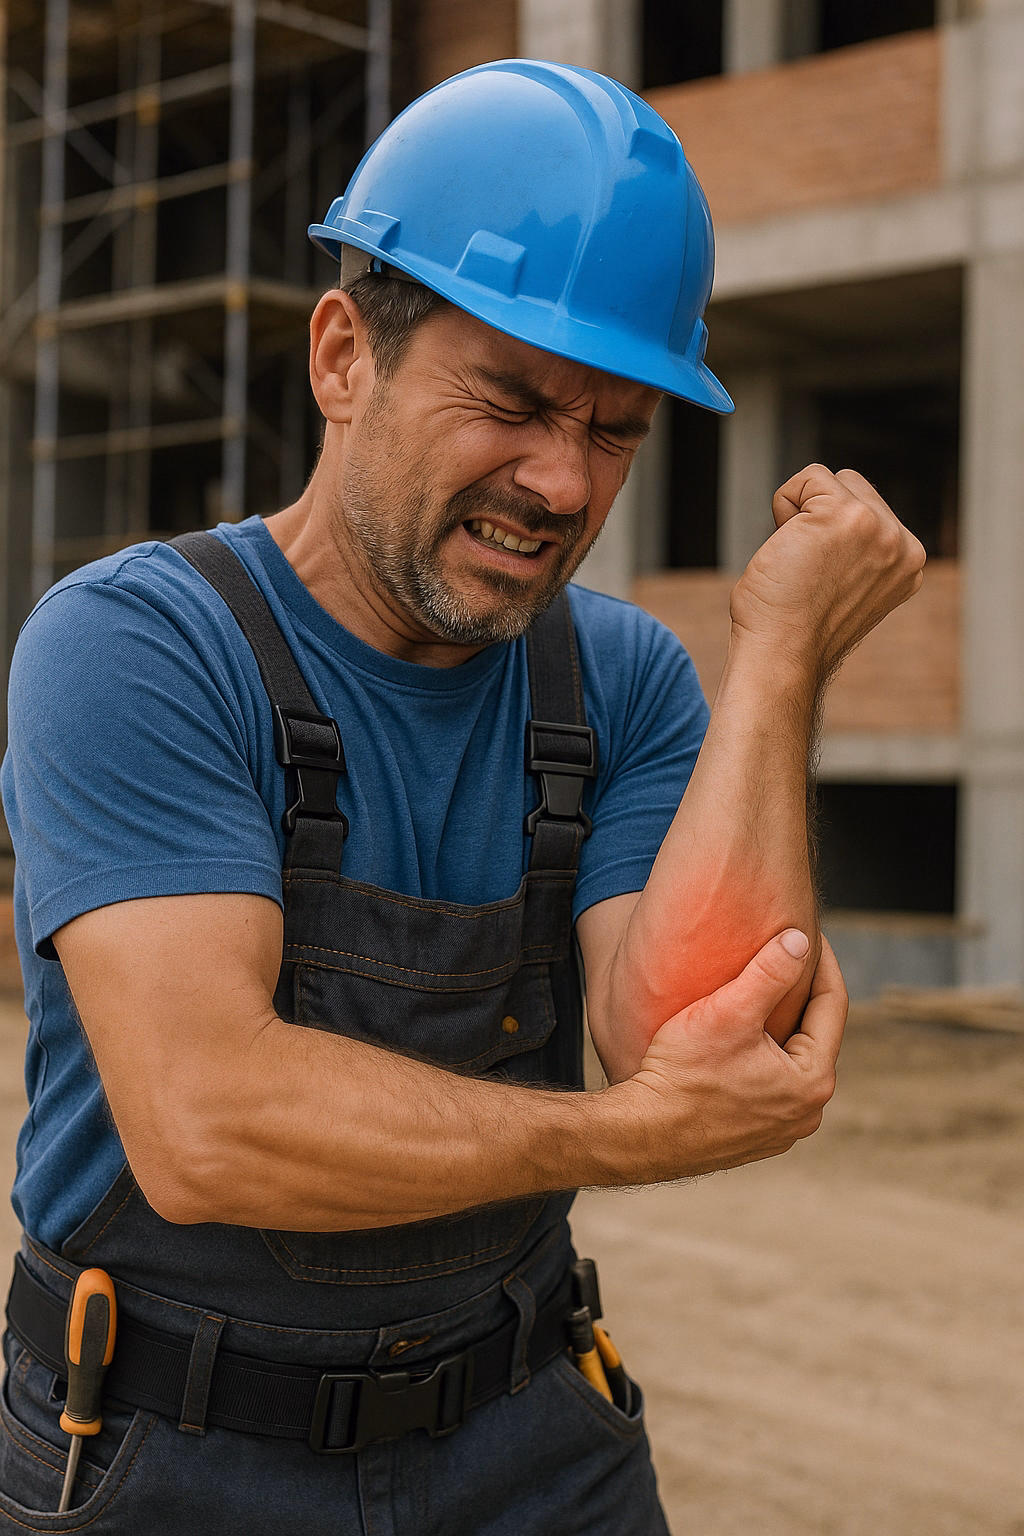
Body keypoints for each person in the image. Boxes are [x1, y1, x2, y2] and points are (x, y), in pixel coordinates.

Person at [0, 60, 923, 1534]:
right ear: (343, 357)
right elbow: (207, 1121)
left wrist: (783, 655)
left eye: (615, 429)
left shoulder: (618, 680)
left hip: (530, 1446)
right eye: (509, 402)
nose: (562, 483)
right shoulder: (139, 647)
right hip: (169, 1454)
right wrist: (628, 1138)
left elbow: (683, 1038)